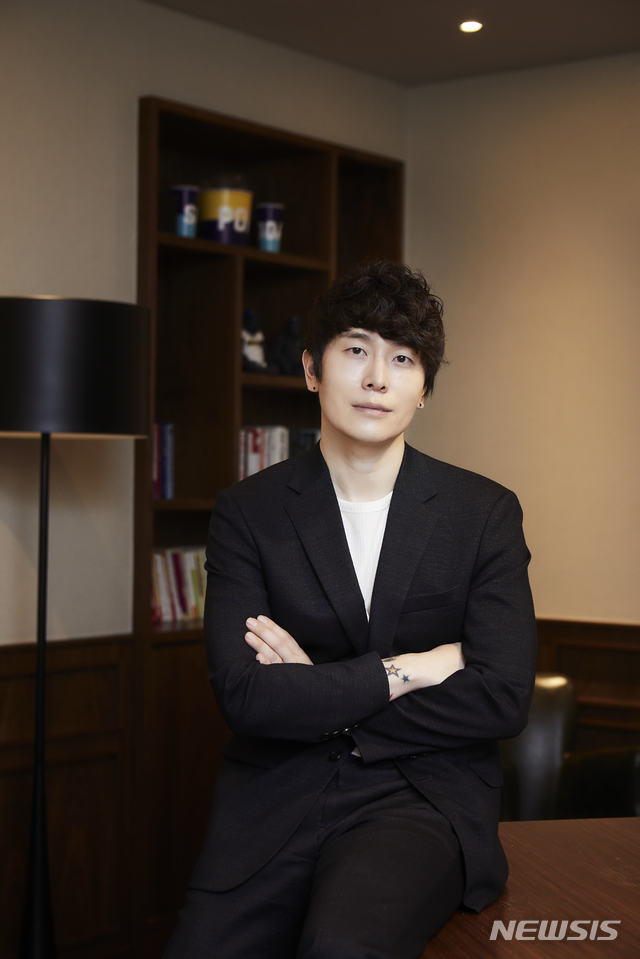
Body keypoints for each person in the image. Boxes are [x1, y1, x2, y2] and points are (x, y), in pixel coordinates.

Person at [164, 260, 537, 959]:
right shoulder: (248, 512)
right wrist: (406, 669)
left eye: (403, 359)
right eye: (356, 350)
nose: (377, 378)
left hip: (421, 792)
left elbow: (503, 696)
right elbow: (246, 696)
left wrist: (316, 689)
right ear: (312, 369)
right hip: (276, 794)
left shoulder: (482, 512)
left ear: (423, 390)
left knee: (342, 945)